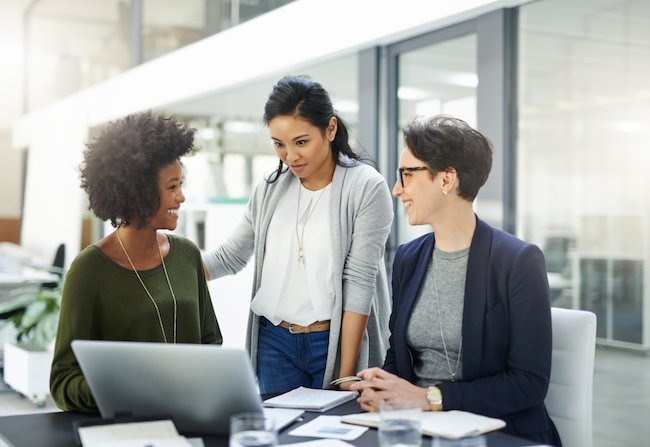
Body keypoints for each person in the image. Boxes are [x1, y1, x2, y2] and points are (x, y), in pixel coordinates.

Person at [349, 116, 562, 446]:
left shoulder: (517, 261)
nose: (396, 189)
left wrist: (429, 398)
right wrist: (384, 385)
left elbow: (528, 383)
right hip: (418, 427)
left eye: (406, 174)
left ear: (447, 179)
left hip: (496, 432)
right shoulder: (408, 258)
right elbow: (399, 355)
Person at [203, 75, 393, 395]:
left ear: (330, 129)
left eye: (301, 142)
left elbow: (359, 282)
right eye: (279, 144)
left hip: (331, 341)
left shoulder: (366, 187)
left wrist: (345, 375)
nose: (290, 156)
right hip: (274, 343)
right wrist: (163, 266)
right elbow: (230, 256)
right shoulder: (270, 187)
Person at [50, 111, 222, 412]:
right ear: (137, 193)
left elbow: (211, 342)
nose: (181, 197)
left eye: (180, 184)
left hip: (190, 416)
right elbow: (63, 380)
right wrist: (128, 391)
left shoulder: (187, 256)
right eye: (171, 187)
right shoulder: (89, 271)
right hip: (123, 428)